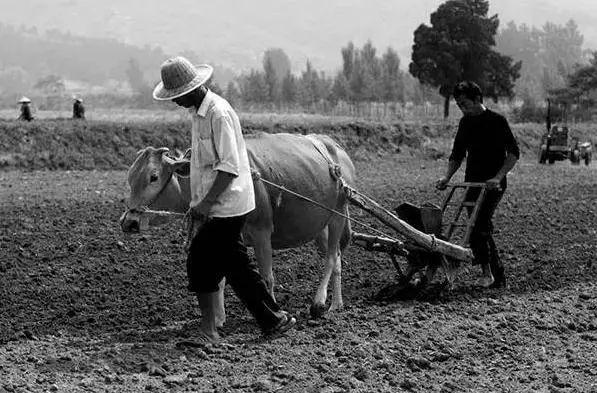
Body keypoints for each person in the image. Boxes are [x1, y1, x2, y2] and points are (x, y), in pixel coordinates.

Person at [153, 56, 295, 342]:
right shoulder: (199, 113)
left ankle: (209, 330)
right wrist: (186, 167)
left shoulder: (218, 113)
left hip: (227, 205)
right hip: (218, 203)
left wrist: (204, 204)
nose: (175, 102)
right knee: (237, 267)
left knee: (200, 262)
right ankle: (275, 320)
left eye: (177, 96)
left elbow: (229, 167)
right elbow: (211, 161)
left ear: (193, 89)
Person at [436, 81, 519, 288]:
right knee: (475, 226)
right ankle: (496, 274)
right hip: (472, 182)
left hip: (493, 184)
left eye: (465, 103)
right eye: (459, 105)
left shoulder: (497, 121)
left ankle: (487, 273)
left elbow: (513, 153)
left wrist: (498, 177)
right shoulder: (465, 124)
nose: (462, 108)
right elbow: (457, 154)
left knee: (480, 224)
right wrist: (447, 177)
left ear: (477, 99)